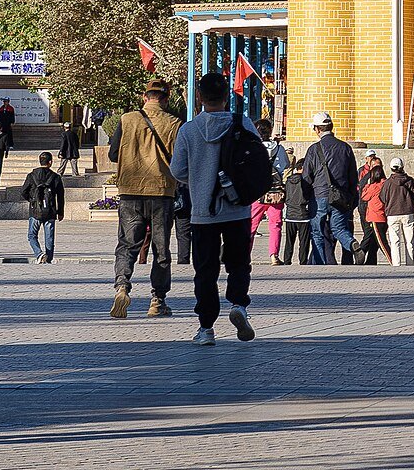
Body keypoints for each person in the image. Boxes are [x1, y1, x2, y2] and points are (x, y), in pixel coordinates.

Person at [169, 72, 258, 346]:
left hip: (203, 212)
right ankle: (238, 306)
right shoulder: (241, 123)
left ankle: (206, 328)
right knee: (239, 263)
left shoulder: (189, 130)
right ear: (226, 96)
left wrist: (198, 178)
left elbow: (177, 170)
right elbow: (257, 158)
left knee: (205, 271)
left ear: (200, 97)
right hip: (237, 209)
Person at [108, 78, 181, 319]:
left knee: (128, 245)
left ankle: (122, 287)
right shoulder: (175, 123)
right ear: (167, 98)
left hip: (130, 191)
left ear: (144, 96)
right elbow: (180, 162)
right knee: (161, 248)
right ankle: (157, 301)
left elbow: (113, 153)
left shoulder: (127, 119)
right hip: (161, 192)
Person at [302, 112, 357, 265]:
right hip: (340, 195)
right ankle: (352, 243)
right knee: (339, 229)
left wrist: (306, 198)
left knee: (317, 233)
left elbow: (306, 177)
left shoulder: (314, 149)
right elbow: (353, 176)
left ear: (317, 129)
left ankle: (320, 265)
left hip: (318, 196)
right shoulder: (345, 148)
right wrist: (352, 198)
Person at [248, 119, 286, 262]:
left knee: (251, 224)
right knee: (275, 224)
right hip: (275, 192)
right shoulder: (279, 148)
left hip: (257, 192)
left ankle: (246, 254)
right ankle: (273, 255)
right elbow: (284, 166)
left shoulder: (253, 147)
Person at [381, 157, 414, 265]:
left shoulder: (387, 183)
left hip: (392, 213)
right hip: (407, 212)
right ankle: (410, 264)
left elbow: (382, 198)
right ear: (402, 167)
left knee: (394, 241)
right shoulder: (409, 180)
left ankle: (396, 264)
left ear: (391, 168)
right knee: (409, 241)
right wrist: (411, 200)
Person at [21, 150, 64, 263]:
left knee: (32, 235)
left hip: (35, 211)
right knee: (49, 237)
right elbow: (60, 196)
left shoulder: (31, 176)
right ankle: (48, 258)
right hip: (50, 211)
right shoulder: (55, 177)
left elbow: (23, 191)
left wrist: (32, 200)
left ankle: (39, 254)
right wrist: (60, 212)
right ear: (50, 162)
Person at [356, 151, 390, 264]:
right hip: (369, 212)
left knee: (375, 238)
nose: (378, 169)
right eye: (375, 166)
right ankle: (361, 253)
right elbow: (363, 196)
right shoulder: (367, 178)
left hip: (379, 213)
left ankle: (369, 260)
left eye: (379, 166)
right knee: (370, 235)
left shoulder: (383, 181)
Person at [278, 157, 313, 265]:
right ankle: (303, 261)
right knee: (304, 242)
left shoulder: (288, 181)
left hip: (290, 215)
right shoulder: (306, 182)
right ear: (303, 168)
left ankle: (287, 261)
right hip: (303, 215)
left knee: (289, 241)